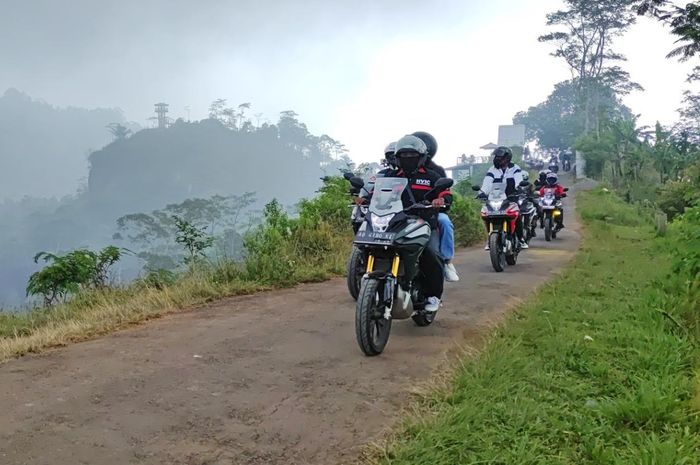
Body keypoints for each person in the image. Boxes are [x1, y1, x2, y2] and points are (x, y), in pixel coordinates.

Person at [372, 134, 451, 312]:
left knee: (431, 255)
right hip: (396, 222)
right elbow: (376, 194)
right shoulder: (390, 177)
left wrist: (440, 200)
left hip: (424, 222)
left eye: (412, 155)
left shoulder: (431, 176)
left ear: (421, 157)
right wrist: (366, 200)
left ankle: (434, 296)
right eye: (404, 156)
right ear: (398, 158)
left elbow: (445, 193)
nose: (408, 159)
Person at [411, 131, 459, 282]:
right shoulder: (402, 171)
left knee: (444, 221)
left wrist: (440, 200)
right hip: (405, 212)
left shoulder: (436, 171)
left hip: (430, 212)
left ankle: (447, 261)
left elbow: (445, 192)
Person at [476, 146, 527, 250]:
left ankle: (521, 239)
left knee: (517, 214)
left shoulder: (515, 168)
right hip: (495, 198)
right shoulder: (492, 169)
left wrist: (519, 188)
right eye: (496, 157)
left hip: (511, 197)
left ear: (507, 158)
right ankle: (490, 238)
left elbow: (518, 180)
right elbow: (487, 182)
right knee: (486, 215)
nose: (497, 159)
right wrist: (482, 192)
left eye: (499, 157)